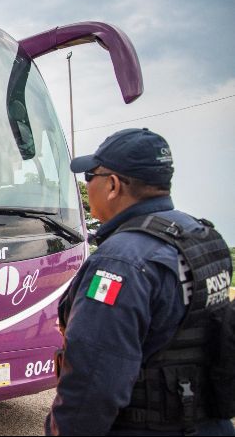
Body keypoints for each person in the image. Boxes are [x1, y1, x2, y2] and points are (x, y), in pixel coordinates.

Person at [46, 128, 235, 436]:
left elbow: (92, 385)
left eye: (89, 176)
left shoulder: (119, 264)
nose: (86, 185)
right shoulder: (204, 238)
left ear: (113, 185)